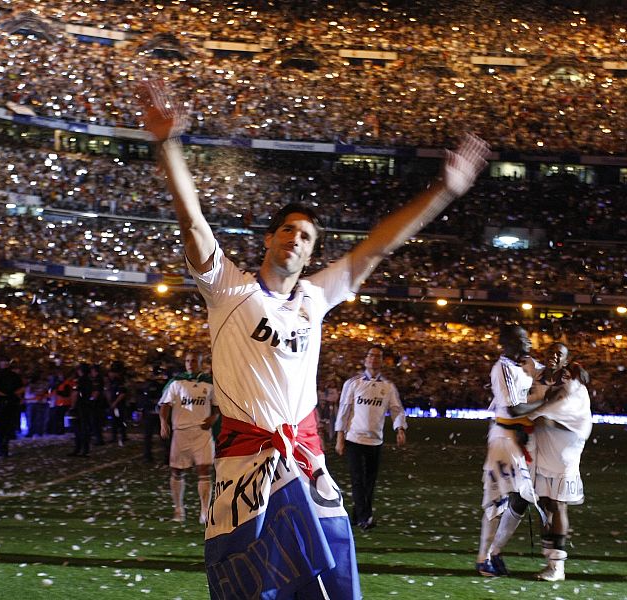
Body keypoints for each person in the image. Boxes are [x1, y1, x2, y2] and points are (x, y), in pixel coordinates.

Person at [139, 78, 489, 599]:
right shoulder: (228, 288)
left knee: (325, 589)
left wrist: (445, 190)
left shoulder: (315, 297)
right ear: (269, 238)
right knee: (250, 589)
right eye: (287, 230)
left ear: (309, 253)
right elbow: (192, 223)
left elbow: (377, 247)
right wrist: (167, 143)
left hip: (306, 464)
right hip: (243, 465)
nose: (295, 238)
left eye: (306, 236)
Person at [476, 324, 548, 577]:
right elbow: (514, 409)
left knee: (521, 498)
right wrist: (545, 403)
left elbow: (551, 378)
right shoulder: (502, 368)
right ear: (507, 344)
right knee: (498, 499)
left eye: (528, 338)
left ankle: (494, 552)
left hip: (523, 439)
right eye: (522, 339)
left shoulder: (526, 364)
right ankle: (483, 557)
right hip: (504, 439)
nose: (528, 343)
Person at [530, 342, 592, 582]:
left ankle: (558, 566)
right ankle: (550, 558)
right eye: (551, 352)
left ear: (567, 360)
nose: (554, 356)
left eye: (560, 354)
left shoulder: (570, 380)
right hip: (545, 447)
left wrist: (532, 413)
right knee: (544, 502)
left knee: (558, 503)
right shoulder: (541, 376)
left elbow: (557, 402)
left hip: (565, 446)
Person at [335, 346, 407, 530]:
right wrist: (340, 436)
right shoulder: (353, 383)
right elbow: (344, 410)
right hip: (354, 439)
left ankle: (357, 514)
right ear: (365, 359)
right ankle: (365, 517)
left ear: (382, 361)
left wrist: (400, 428)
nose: (374, 359)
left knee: (369, 481)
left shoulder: (388, 387)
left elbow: (396, 409)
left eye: (378, 356)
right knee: (358, 479)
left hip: (375, 440)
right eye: (371, 355)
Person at [158, 351, 219, 524]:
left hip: (202, 433)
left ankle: (205, 512)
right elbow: (165, 404)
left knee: (204, 471)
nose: (190, 364)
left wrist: (213, 418)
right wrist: (164, 423)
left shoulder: (209, 382)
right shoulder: (176, 382)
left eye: (193, 361)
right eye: (187, 361)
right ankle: (178, 510)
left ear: (200, 362)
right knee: (177, 471)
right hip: (181, 433)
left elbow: (217, 406)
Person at [0, 359, 24, 458]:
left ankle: (2, 447)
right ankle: (6, 443)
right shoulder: (15, 376)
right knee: (9, 424)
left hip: (2, 402)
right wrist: (13, 395)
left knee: (1, 425)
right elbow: (21, 388)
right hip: (12, 402)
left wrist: (4, 395)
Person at [138, 364, 170, 464]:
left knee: (164, 437)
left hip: (160, 414)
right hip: (151, 413)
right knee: (148, 437)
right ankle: (148, 457)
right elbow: (145, 399)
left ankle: (167, 457)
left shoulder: (165, 385)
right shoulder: (150, 385)